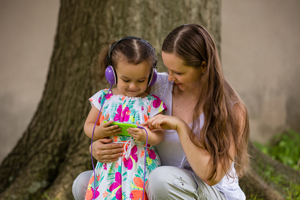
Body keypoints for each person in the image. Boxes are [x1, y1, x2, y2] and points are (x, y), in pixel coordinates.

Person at [73, 24, 250, 200]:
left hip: (209, 192)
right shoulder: (156, 86)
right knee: (83, 183)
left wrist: (180, 126)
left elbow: (211, 176)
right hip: (156, 183)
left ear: (203, 66)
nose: (170, 77)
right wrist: (98, 147)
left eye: (178, 72)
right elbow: (117, 105)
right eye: (168, 69)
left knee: (161, 180)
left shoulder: (232, 109)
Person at [83, 37, 167, 200]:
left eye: (141, 80)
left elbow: (160, 134)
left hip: (140, 165)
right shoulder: (103, 98)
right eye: (126, 80)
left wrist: (146, 136)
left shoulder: (153, 103)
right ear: (112, 74)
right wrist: (99, 131)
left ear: (151, 77)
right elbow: (88, 126)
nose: (133, 86)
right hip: (110, 165)